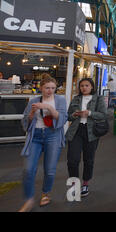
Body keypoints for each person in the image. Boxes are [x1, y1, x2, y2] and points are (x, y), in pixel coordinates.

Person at [19, 76, 68, 212]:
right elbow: (25, 121)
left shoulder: (60, 100)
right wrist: (32, 113)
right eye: (47, 88)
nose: (50, 91)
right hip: (35, 136)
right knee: (28, 170)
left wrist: (48, 108)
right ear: (41, 88)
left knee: (50, 170)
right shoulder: (33, 100)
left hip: (52, 135)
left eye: (53, 88)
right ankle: (28, 200)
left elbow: (63, 119)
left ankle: (46, 194)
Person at [66, 78, 107, 198]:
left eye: (86, 85)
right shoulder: (76, 99)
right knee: (72, 160)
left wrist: (89, 113)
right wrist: (74, 114)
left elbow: (104, 115)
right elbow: (69, 116)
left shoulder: (98, 99)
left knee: (89, 160)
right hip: (75, 131)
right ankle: (74, 184)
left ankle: (85, 183)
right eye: (82, 86)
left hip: (91, 132)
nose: (84, 87)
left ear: (92, 87)